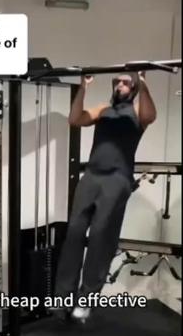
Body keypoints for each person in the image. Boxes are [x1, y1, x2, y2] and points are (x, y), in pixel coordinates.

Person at [54, 70, 157, 322]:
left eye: (125, 82)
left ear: (133, 88)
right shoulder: (103, 109)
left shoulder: (137, 112)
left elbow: (150, 116)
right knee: (74, 232)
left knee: (101, 235)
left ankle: (86, 299)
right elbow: (75, 119)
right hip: (91, 177)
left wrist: (143, 82)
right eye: (117, 82)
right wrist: (83, 87)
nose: (119, 85)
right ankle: (63, 297)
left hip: (117, 180)